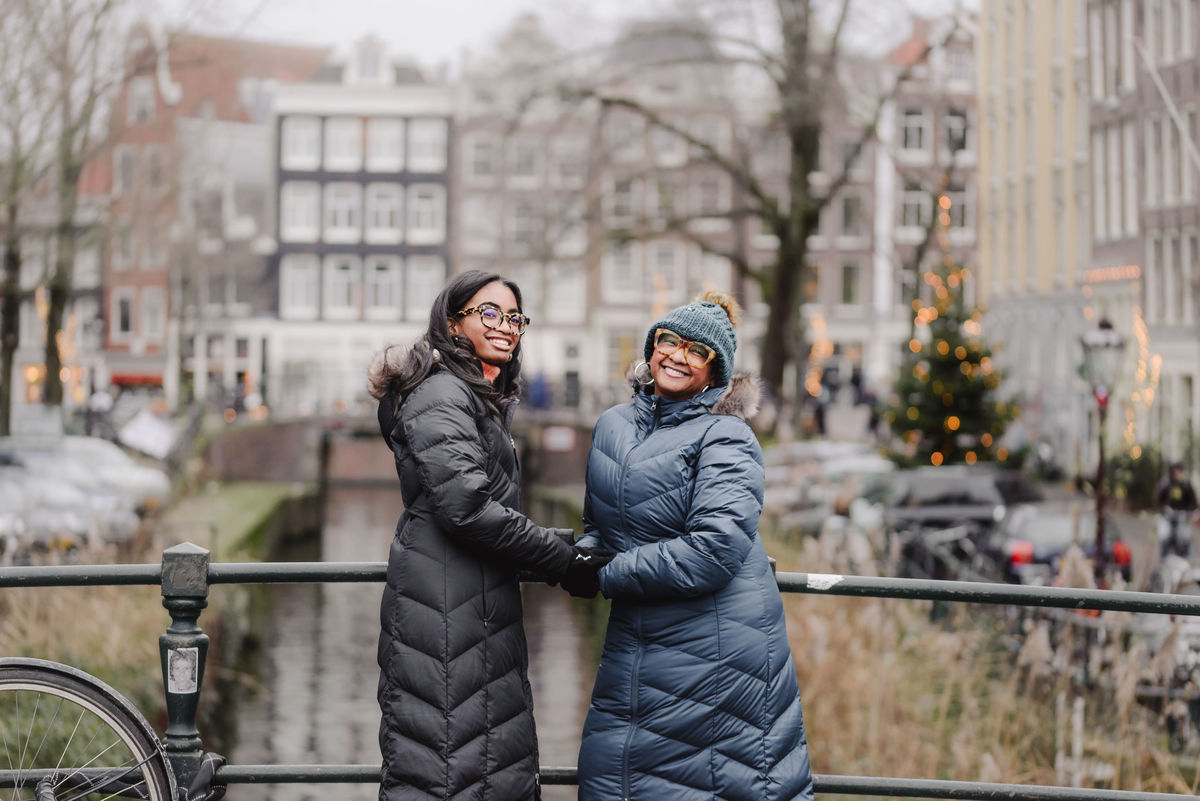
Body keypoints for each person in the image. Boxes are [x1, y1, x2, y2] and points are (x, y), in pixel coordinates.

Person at [367, 270, 610, 801]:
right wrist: (563, 560)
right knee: (449, 763)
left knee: (474, 761)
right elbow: (469, 507)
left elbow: (481, 505)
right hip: (447, 612)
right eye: (490, 312)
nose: (506, 326)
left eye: (515, 317)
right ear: (453, 322)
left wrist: (562, 546)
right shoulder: (441, 393)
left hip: (467, 603)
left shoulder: (472, 395)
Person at [575, 290, 814, 801]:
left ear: (714, 372)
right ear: (651, 346)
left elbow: (714, 550)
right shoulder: (613, 425)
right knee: (615, 772)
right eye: (669, 341)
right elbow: (599, 520)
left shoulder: (726, 436)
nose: (677, 356)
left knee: (699, 779)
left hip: (717, 641)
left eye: (697, 351)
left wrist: (607, 573)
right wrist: (584, 552)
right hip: (640, 633)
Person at [1156, 461, 1199, 559]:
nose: (1178, 474)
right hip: (1166, 517)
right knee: (1165, 535)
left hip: (1182, 517)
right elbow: (1158, 502)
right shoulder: (1165, 483)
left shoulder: (1186, 485)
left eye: (1180, 471)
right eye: (1176, 471)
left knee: (1184, 536)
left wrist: (1187, 512)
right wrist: (1165, 510)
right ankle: (1164, 558)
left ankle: (1184, 558)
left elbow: (1193, 502)